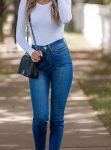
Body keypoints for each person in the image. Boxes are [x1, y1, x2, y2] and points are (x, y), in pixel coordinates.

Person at [16, 0, 73, 149]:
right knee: (41, 117)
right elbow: (19, 36)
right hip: (38, 60)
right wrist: (30, 51)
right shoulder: (26, 2)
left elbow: (66, 19)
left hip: (61, 60)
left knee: (57, 118)